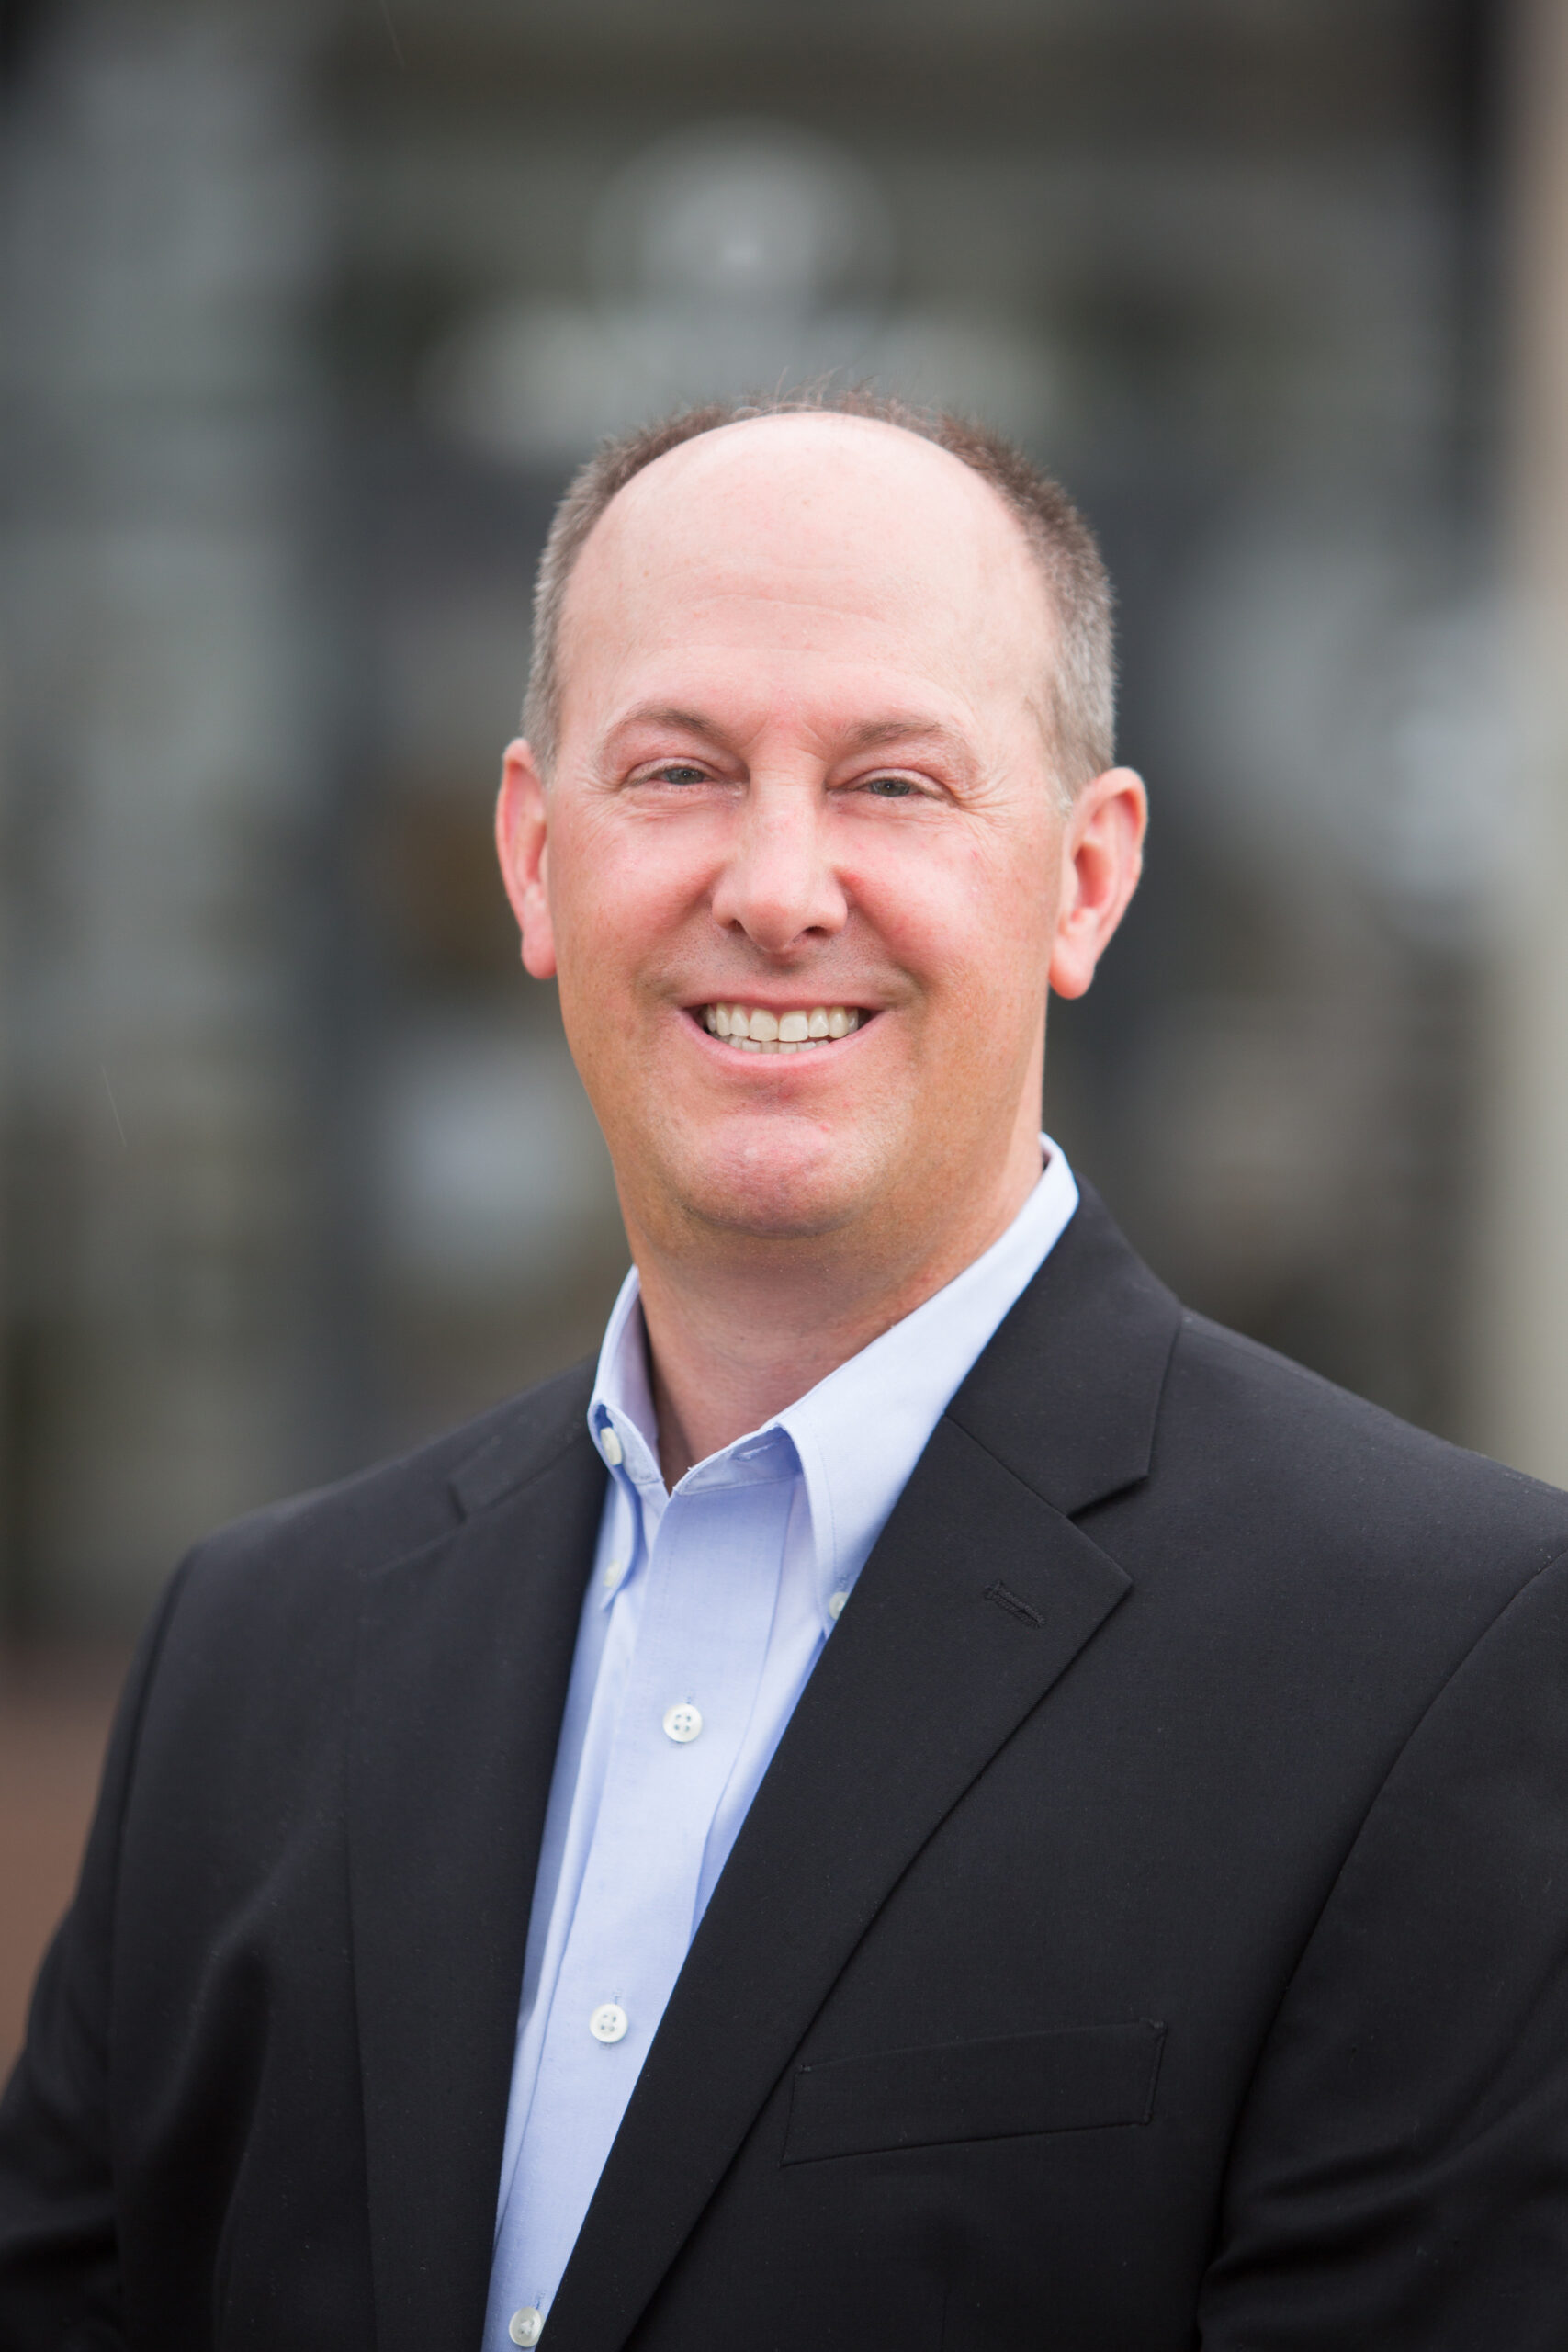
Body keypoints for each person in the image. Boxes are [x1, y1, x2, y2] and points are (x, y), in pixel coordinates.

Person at [4, 390, 1568, 2352]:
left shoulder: (1440, 1657)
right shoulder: (253, 1653)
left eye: (893, 782)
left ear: (1082, 877)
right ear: (532, 855)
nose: (774, 881)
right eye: (676, 769)